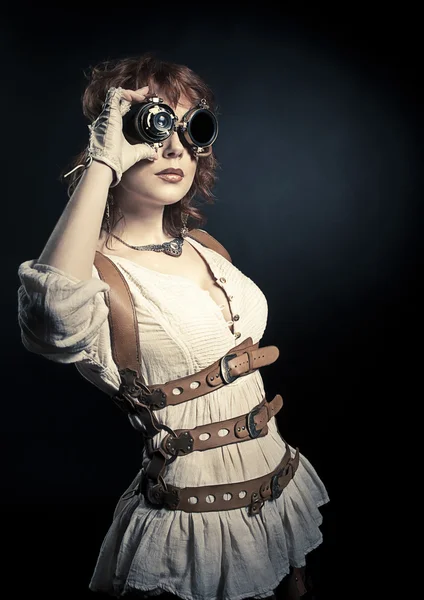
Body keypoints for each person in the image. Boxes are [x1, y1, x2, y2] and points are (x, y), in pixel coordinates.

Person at [17, 52, 329, 600]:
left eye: (191, 128)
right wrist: (103, 159)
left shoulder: (207, 248)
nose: (174, 147)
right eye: (153, 126)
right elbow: (50, 318)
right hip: (194, 522)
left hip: (279, 487)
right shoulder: (97, 274)